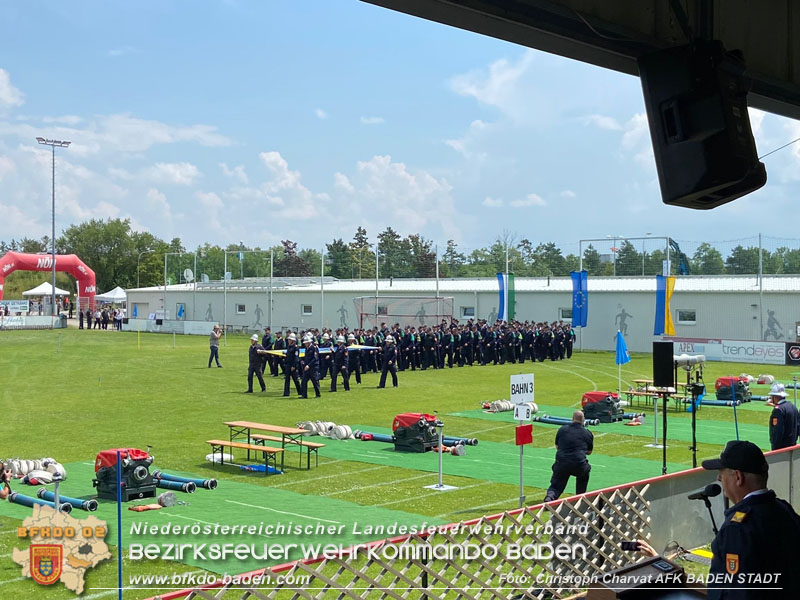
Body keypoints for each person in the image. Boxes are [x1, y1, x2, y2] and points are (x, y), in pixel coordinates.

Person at [701, 440, 800, 599]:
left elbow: (735, 592)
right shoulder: (784, 510)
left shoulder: (737, 529)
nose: (719, 478)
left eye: (722, 472)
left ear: (738, 477)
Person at [544, 410, 593, 501]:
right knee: (584, 473)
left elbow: (557, 446)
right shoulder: (587, 433)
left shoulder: (562, 429)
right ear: (583, 420)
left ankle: (550, 497)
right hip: (578, 464)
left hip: (562, 462)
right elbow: (589, 452)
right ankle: (580, 496)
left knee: (556, 484)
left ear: (572, 418)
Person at [767, 383, 799, 450]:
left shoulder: (778, 410)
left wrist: (775, 446)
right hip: (793, 445)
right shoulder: (792, 406)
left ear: (775, 396)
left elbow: (777, 431)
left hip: (781, 448)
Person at [300, 334, 321, 398]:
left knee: (315, 381)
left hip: (313, 367)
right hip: (307, 367)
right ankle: (304, 395)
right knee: (304, 381)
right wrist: (303, 361)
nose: (305, 344)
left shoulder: (314, 348)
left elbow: (315, 358)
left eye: (306, 343)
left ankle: (318, 394)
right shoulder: (306, 348)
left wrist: (309, 365)